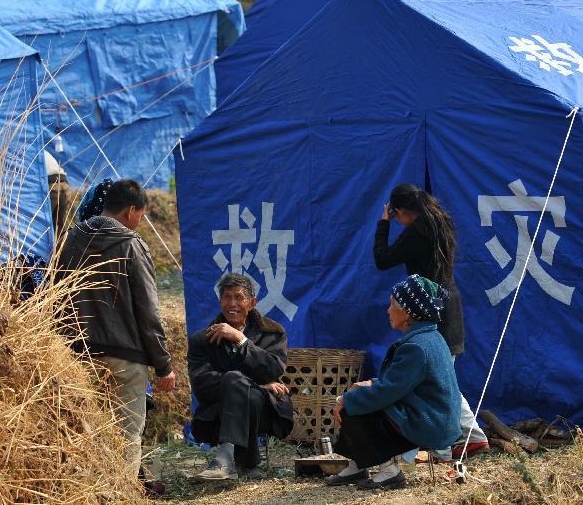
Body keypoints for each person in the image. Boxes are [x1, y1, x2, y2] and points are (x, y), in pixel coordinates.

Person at [57, 178, 175, 479]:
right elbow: (149, 313)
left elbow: (56, 298)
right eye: (140, 216)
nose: (139, 223)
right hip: (125, 359)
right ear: (129, 211)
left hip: (78, 356)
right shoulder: (132, 245)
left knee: (86, 435)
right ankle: (122, 494)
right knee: (127, 437)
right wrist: (163, 366)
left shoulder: (71, 240)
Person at [374, 183, 488, 459]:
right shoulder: (442, 223)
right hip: (448, 303)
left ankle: (448, 446)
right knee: (442, 376)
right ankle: (470, 437)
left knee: (437, 381)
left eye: (397, 215)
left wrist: (383, 223)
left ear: (400, 210)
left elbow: (382, 259)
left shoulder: (417, 231)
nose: (398, 221)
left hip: (433, 311)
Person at [325, 275, 461, 490]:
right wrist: (369, 383)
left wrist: (345, 399)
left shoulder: (416, 347)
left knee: (357, 406)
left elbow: (387, 392)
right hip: (431, 416)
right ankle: (358, 465)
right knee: (360, 396)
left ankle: (389, 472)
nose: (388, 310)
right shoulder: (429, 337)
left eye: (392, 304)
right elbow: (402, 382)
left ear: (406, 312)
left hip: (429, 423)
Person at [187, 273, 294, 482]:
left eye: (239, 297)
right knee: (241, 386)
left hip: (266, 411)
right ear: (220, 301)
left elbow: (273, 369)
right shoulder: (203, 339)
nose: (232, 304)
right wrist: (260, 386)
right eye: (227, 297)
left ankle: (225, 459)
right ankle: (247, 464)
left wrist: (241, 340)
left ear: (252, 302)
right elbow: (202, 384)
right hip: (219, 412)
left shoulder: (272, 333)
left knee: (249, 394)